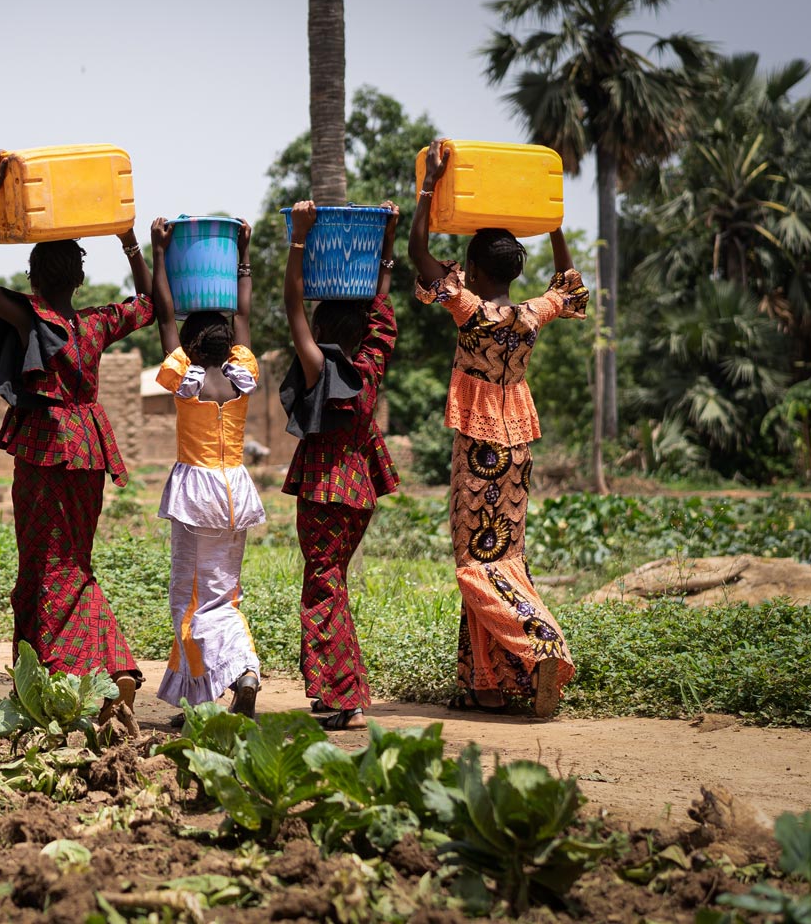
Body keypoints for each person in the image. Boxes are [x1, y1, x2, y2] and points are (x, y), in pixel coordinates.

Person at [0, 149, 155, 735]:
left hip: (45, 447)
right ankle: (105, 667)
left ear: (34, 278)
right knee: (76, 564)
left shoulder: (29, 317)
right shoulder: (93, 323)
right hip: (88, 447)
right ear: (80, 279)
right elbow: (148, 304)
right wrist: (130, 242)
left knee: (45, 567)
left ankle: (67, 677)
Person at [408, 137, 589, 718]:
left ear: (475, 269)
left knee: (473, 564)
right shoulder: (531, 315)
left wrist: (430, 184)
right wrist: (551, 218)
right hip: (517, 453)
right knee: (503, 556)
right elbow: (569, 282)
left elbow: (418, 255)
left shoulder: (471, 311)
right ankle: (485, 684)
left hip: (479, 447)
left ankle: (543, 648)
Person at [279, 200, 401, 730]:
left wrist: (300, 241)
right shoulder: (369, 365)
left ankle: (341, 693)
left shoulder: (321, 367)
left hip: (326, 491)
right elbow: (382, 308)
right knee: (334, 581)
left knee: (323, 585)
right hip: (360, 490)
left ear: (325, 331)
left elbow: (291, 310)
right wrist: (387, 245)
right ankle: (340, 688)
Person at [148, 216, 264, 719]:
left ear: (191, 349)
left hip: (197, 494)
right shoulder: (243, 377)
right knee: (225, 594)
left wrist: (158, 254)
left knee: (190, 600)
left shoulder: (185, 380)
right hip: (235, 490)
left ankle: (231, 678)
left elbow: (164, 318)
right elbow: (243, 316)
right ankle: (223, 685)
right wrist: (242, 254)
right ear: (229, 348)